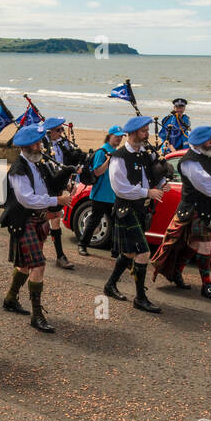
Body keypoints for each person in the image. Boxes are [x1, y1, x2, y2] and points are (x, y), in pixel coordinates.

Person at [0, 123, 70, 333]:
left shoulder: (37, 164)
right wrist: (57, 199)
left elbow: (47, 187)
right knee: (38, 265)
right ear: (27, 146)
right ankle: (37, 316)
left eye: (40, 142)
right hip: (23, 221)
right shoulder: (18, 170)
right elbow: (27, 199)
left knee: (25, 266)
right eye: (37, 143)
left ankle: (10, 299)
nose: (41, 146)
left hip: (38, 220)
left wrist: (65, 177)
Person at [153, 125, 211, 300]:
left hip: (209, 209)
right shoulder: (190, 162)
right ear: (199, 143)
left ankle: (177, 272)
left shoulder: (210, 154)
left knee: (193, 245)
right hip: (194, 209)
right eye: (208, 140)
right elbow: (207, 186)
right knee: (204, 245)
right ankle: (207, 285)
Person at [105, 115, 166, 312]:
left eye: (147, 131)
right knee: (143, 253)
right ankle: (140, 298)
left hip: (141, 208)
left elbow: (151, 177)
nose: (147, 134)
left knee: (130, 252)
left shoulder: (144, 153)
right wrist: (147, 192)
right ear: (132, 134)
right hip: (126, 209)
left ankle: (110, 285)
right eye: (144, 131)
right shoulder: (119, 157)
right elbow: (120, 188)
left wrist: (162, 183)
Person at [42, 116, 82, 270]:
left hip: (57, 185)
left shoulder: (61, 145)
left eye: (62, 129)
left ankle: (59, 256)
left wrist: (69, 183)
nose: (61, 132)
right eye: (58, 130)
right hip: (45, 187)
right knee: (44, 219)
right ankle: (41, 250)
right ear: (50, 131)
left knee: (55, 219)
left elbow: (64, 167)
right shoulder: (43, 145)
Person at [78, 126, 123, 256]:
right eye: (117, 137)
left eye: (120, 137)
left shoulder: (115, 151)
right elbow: (97, 172)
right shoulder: (102, 152)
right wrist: (109, 160)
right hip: (100, 194)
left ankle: (116, 251)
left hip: (113, 195)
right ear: (109, 136)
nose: (119, 139)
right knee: (94, 221)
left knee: (116, 223)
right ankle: (82, 245)